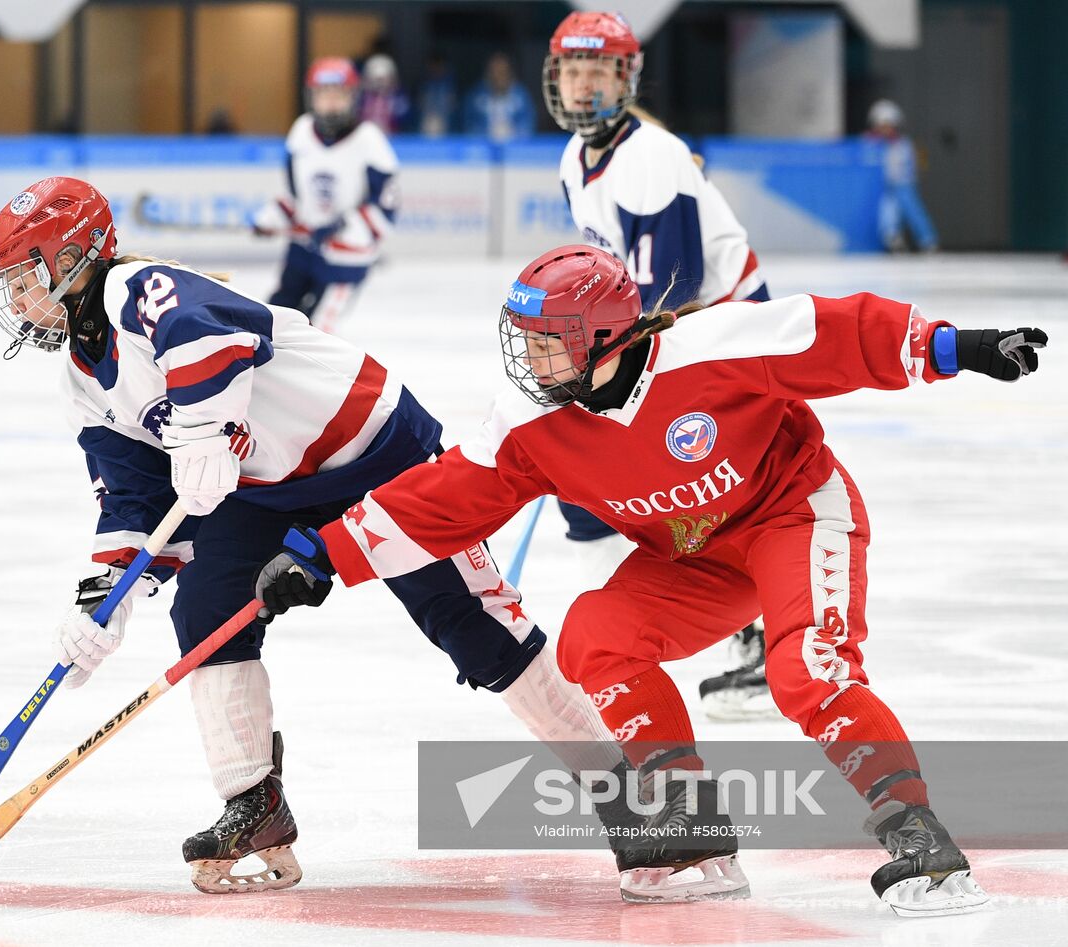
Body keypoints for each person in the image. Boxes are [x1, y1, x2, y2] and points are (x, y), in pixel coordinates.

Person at [255, 244, 1046, 912]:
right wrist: (327, 552)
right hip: (695, 556)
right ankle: (690, 817)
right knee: (597, 634)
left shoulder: (716, 346)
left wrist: (960, 346)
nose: (530, 360)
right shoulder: (533, 423)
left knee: (808, 669)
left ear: (603, 337)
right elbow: (447, 496)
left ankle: (918, 833)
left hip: (794, 514)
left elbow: (839, 334)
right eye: (524, 340)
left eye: (548, 342)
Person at [0, 180, 633, 895]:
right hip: (263, 490)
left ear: (75, 258)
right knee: (205, 610)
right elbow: (134, 493)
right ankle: (251, 801)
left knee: (471, 625)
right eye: (8, 287)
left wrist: (205, 428)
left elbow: (216, 337)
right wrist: (108, 598)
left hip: (376, 452)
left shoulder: (142, 288)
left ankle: (624, 792)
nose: (15, 303)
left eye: (24, 280)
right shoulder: (81, 377)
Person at [542, 11, 775, 720]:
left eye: (599, 72)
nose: (584, 86)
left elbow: (673, 286)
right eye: (572, 71)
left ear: (625, 79)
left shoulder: (652, 157)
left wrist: (594, 369)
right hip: (669, 336)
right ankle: (626, 635)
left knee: (687, 488)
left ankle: (749, 638)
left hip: (723, 336)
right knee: (598, 479)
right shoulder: (573, 162)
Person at [250, 57, 397, 334]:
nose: (330, 103)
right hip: (303, 250)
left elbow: (385, 210)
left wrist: (343, 228)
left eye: (338, 95)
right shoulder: (301, 132)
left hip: (345, 260)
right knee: (274, 320)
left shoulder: (370, 142)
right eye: (322, 95)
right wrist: (271, 218)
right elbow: (295, 196)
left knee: (318, 332)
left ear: (352, 97)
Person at [866, 99, 939, 253]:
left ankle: (928, 240)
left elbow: (921, 161)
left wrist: (916, 175)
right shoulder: (874, 144)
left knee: (914, 212)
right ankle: (893, 239)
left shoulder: (906, 144)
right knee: (887, 212)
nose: (885, 130)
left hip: (904, 185)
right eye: (881, 127)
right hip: (885, 186)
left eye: (888, 126)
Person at [464, 52, 535, 143]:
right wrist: (488, 134)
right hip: (483, 150)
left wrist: (513, 133)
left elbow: (529, 126)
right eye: (494, 72)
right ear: (487, 74)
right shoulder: (476, 97)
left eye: (502, 72)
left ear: (510, 73)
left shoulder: (521, 96)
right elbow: (468, 127)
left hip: (515, 149)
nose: (498, 77)